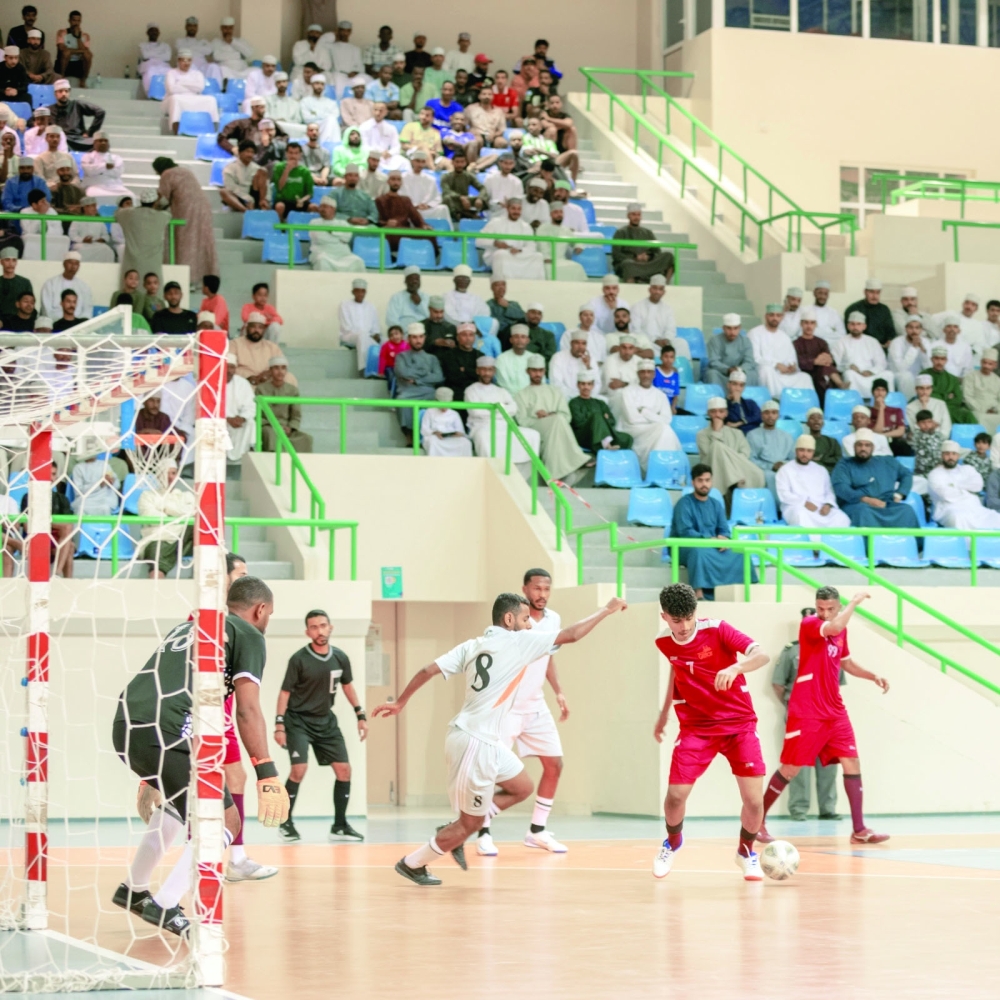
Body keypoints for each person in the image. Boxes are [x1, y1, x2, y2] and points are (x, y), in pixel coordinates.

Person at [373, 592, 627, 885]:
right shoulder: (518, 642)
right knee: (471, 823)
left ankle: (461, 826)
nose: (530, 624)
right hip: (474, 742)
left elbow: (427, 670)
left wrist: (401, 702)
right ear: (509, 619)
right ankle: (413, 863)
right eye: (524, 618)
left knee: (522, 786)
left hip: (482, 739)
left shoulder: (473, 645)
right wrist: (606, 610)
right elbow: (571, 635)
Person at [111, 577, 287, 935]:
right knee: (226, 822)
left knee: (178, 809)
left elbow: (171, 691)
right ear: (261, 609)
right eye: (269, 615)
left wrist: (151, 773)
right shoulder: (248, 634)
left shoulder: (191, 625)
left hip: (125, 725)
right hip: (166, 731)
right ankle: (164, 905)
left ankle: (134, 889)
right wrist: (266, 772)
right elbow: (247, 708)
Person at [652, 581, 768, 878]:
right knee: (675, 797)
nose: (685, 625)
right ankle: (673, 842)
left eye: (689, 617)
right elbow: (676, 674)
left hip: (739, 724)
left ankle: (745, 852)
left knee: (754, 801)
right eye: (677, 620)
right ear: (665, 616)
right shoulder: (664, 642)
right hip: (697, 729)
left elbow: (761, 655)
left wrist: (735, 668)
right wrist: (664, 713)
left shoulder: (717, 629)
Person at [757, 588, 890, 845]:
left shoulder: (842, 631)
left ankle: (859, 830)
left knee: (852, 762)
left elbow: (847, 663)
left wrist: (873, 675)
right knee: (791, 768)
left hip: (835, 711)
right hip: (807, 711)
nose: (824, 613)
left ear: (836, 607)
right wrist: (854, 602)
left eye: (830, 609)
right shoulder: (810, 625)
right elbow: (834, 626)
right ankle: (757, 821)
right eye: (821, 608)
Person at [272, 607, 367, 843]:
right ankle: (285, 822)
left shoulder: (340, 657)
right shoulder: (299, 659)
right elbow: (284, 693)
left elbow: (348, 687)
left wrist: (360, 715)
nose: (320, 630)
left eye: (323, 625)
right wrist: (279, 725)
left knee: (345, 770)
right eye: (314, 627)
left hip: (326, 722)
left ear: (330, 627)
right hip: (298, 721)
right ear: (308, 632)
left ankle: (340, 825)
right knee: (299, 770)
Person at [770, 607, 845, 821]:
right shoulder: (791, 652)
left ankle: (827, 808)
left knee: (829, 763)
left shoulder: (833, 650)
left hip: (828, 716)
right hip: (801, 716)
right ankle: (799, 809)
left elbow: (837, 684)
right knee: (799, 763)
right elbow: (778, 684)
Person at [515, 355, 590, 481]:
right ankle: (577, 460)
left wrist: (549, 416)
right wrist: (541, 419)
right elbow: (522, 421)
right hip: (535, 427)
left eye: (540, 370)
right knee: (557, 420)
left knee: (558, 420)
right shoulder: (520, 395)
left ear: (544, 371)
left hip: (557, 425)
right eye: (534, 370)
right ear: (527, 371)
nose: (537, 374)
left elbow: (566, 416)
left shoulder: (555, 391)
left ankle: (555, 473)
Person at [832, 430, 918, 528]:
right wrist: (866, 499)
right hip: (857, 504)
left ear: (872, 448)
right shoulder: (845, 464)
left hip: (886, 503)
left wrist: (899, 495)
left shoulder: (887, 461)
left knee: (906, 510)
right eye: (859, 445)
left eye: (867, 445)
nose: (863, 448)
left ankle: (908, 543)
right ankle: (869, 543)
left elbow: (906, 474)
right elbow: (841, 488)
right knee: (864, 512)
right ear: (854, 447)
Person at [153, 158, 218, 286]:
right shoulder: (185, 171)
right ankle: (202, 278)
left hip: (186, 209)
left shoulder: (167, 174)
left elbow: (163, 199)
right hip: (203, 208)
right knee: (201, 242)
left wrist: (151, 209)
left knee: (186, 243)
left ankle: (186, 279)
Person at [464, 356, 540, 463]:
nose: (487, 373)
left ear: (494, 371)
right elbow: (476, 412)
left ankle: (523, 474)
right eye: (483, 369)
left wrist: (492, 410)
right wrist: (501, 409)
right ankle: (492, 470)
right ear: (478, 371)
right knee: (484, 438)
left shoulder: (501, 390)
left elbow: (513, 408)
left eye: (490, 370)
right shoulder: (471, 390)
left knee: (533, 435)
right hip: (482, 427)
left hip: (504, 425)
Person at [136, 458, 195, 580]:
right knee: (157, 563)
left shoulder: (186, 496)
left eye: (173, 473)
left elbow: (193, 512)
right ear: (158, 476)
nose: (170, 477)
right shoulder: (147, 496)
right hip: (159, 538)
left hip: (183, 539)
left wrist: (165, 509)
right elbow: (150, 517)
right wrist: (179, 516)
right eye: (165, 473)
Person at [619, 359, 681, 472]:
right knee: (664, 430)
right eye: (643, 372)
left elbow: (667, 419)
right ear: (638, 374)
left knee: (664, 429)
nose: (646, 375)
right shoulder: (627, 392)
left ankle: (657, 470)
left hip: (655, 430)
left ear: (654, 374)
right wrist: (655, 418)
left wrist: (644, 411)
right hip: (633, 430)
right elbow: (633, 419)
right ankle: (665, 470)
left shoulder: (661, 395)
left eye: (649, 372)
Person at [776, 435, 851, 529]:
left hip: (820, 507)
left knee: (842, 518)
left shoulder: (821, 470)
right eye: (801, 450)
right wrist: (804, 503)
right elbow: (784, 494)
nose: (805, 454)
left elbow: (829, 492)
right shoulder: (785, 470)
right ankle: (812, 543)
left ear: (813, 453)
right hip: (796, 507)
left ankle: (831, 543)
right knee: (801, 516)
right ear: (796, 451)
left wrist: (828, 505)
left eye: (809, 451)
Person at [697, 399, 766, 496]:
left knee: (758, 473)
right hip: (713, 469)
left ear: (726, 413)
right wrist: (716, 432)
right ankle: (734, 482)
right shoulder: (702, 435)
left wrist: (731, 462)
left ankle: (733, 480)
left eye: (721, 411)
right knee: (717, 446)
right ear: (708, 413)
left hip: (737, 468)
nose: (717, 415)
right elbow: (712, 455)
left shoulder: (737, 433)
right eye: (714, 411)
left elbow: (745, 453)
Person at [928, 441, 1000, 529]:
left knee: (996, 517)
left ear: (958, 456)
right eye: (947, 454)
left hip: (975, 508)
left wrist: (953, 486)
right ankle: (968, 543)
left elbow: (978, 486)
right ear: (942, 455)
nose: (951, 457)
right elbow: (946, 495)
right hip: (948, 510)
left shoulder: (967, 469)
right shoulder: (935, 474)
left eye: (954, 454)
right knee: (959, 518)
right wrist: (966, 489)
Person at [749, 303, 814, 399]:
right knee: (766, 371)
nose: (775, 318)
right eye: (772, 315)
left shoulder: (785, 337)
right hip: (766, 372)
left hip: (783, 374)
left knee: (805, 378)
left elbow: (792, 358)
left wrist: (791, 367)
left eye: (778, 315)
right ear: (766, 316)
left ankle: (806, 407)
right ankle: (773, 401)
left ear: (782, 317)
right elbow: (755, 358)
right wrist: (776, 364)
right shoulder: (754, 333)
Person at [393, 323, 444, 438]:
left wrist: (416, 380)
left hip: (428, 392)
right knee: (401, 401)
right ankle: (410, 436)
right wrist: (426, 373)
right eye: (415, 337)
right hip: (407, 392)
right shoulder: (401, 357)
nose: (418, 340)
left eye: (421, 337)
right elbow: (403, 373)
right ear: (409, 339)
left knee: (437, 400)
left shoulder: (432, 358)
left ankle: (432, 434)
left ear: (424, 338)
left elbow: (438, 377)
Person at [476, 198, 546, 279]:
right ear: (507, 208)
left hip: (519, 255)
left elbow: (532, 246)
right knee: (501, 254)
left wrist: (520, 250)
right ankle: (505, 282)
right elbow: (479, 240)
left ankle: (534, 285)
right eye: (513, 208)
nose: (516, 212)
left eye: (519, 209)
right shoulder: (495, 222)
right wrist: (495, 243)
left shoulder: (526, 226)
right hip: (499, 254)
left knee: (538, 256)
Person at [115, 188, 168, 287]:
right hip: (153, 263)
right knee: (152, 291)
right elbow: (167, 209)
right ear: (155, 202)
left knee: (131, 290)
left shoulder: (129, 214)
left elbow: (118, 213)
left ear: (140, 201)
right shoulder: (162, 216)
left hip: (133, 262)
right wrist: (162, 200)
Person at [569, 371, 632, 454]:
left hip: (604, 432)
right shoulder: (574, 403)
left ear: (593, 386)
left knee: (627, 438)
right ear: (578, 385)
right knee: (597, 416)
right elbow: (578, 423)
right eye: (583, 384)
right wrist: (599, 419)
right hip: (584, 436)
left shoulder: (600, 403)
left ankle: (614, 452)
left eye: (589, 384)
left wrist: (599, 420)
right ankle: (607, 445)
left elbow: (612, 421)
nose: (586, 387)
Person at [834, 312, 894, 399]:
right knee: (849, 374)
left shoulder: (872, 341)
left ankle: (887, 403)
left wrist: (871, 371)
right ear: (848, 326)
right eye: (852, 324)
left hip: (872, 375)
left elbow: (881, 363)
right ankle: (854, 401)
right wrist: (848, 366)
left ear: (864, 326)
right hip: (855, 375)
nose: (855, 327)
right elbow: (835, 364)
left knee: (889, 374)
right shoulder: (841, 342)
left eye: (859, 324)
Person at [611, 202, 673, 284]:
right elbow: (617, 254)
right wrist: (635, 257)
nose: (636, 217)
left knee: (668, 256)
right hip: (632, 264)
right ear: (628, 216)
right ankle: (632, 286)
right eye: (633, 214)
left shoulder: (648, 232)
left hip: (648, 264)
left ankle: (664, 286)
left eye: (638, 215)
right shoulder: (620, 232)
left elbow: (657, 252)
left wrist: (648, 257)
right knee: (627, 264)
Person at [747, 400, 795, 499]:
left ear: (778, 415)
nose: (770, 416)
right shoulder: (752, 435)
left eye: (774, 413)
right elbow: (750, 459)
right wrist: (771, 466)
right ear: (761, 415)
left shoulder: (786, 436)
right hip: (763, 470)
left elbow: (793, 459)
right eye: (767, 412)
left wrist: (783, 465)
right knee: (772, 477)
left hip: (784, 469)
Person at [232, 314, 295, 386]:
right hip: (244, 379)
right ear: (247, 328)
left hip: (267, 378)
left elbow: (282, 365)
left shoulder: (271, 346)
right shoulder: (235, 343)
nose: (256, 330)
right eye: (253, 327)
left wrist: (269, 373)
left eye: (260, 328)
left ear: (264, 330)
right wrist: (246, 377)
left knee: (289, 378)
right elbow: (228, 366)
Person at [309, 196, 366, 272]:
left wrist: (332, 232)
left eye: (325, 207)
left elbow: (347, 238)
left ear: (333, 209)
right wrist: (338, 237)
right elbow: (319, 238)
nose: (322, 209)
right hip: (323, 253)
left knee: (358, 261)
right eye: (321, 207)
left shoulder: (343, 223)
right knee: (322, 261)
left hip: (343, 254)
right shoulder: (314, 222)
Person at [922, 345, 977, 424]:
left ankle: (978, 436)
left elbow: (958, 398)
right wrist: (947, 396)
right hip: (933, 408)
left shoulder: (952, 379)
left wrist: (940, 395)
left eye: (942, 359)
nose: (939, 362)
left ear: (946, 360)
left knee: (967, 414)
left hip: (951, 408)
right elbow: (927, 394)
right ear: (932, 359)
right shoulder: (924, 375)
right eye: (936, 358)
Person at [794, 309, 839, 404]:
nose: (809, 326)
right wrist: (814, 361)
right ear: (801, 324)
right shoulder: (795, 343)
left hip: (821, 371)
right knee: (823, 372)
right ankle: (839, 383)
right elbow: (797, 361)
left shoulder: (822, 343)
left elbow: (829, 359)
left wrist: (823, 360)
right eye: (806, 323)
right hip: (805, 373)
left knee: (824, 370)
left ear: (816, 325)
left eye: (812, 323)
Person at [163, 50, 215, 134]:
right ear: (179, 61)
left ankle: (211, 130)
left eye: (189, 60)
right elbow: (172, 90)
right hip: (174, 98)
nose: (186, 63)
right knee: (175, 99)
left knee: (211, 99)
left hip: (193, 97)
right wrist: (191, 86)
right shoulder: (171, 73)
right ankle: (176, 131)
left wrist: (181, 83)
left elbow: (200, 88)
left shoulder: (197, 73)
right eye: (183, 60)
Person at [704, 314, 758, 387]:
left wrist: (739, 370)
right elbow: (713, 362)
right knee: (712, 374)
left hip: (740, 373)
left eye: (735, 328)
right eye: (729, 328)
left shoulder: (746, 341)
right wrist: (727, 370)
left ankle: (742, 397)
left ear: (740, 328)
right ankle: (718, 397)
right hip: (721, 373)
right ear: (723, 328)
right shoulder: (714, 340)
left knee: (753, 374)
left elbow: (749, 361)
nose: (732, 332)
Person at [338, 278, 381, 371]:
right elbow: (347, 328)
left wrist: (376, 335)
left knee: (386, 340)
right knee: (362, 337)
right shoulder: (345, 305)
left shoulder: (371, 306)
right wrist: (367, 336)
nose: (360, 294)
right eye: (357, 291)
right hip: (349, 336)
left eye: (363, 291)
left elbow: (375, 329)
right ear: (352, 292)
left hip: (368, 338)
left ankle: (382, 370)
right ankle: (364, 369)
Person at [50, 79, 103, 150]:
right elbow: (33, 121)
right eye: (60, 91)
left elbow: (100, 112)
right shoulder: (49, 109)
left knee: (99, 144)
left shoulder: (76, 105)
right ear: (55, 94)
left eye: (66, 91)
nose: (64, 94)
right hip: (58, 140)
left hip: (77, 139)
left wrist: (90, 132)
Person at [419, 386, 473, 457]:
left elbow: (460, 431)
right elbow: (424, 430)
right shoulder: (429, 412)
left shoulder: (454, 414)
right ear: (436, 401)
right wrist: (434, 432)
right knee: (432, 442)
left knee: (466, 443)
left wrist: (457, 433)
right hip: (435, 438)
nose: (444, 408)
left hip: (452, 438)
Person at [400, 149, 449, 224]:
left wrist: (428, 205)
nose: (420, 164)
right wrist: (415, 206)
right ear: (412, 162)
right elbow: (400, 196)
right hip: (409, 209)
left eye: (422, 162)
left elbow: (437, 197)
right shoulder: (403, 178)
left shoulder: (430, 179)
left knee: (443, 208)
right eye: (418, 161)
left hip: (426, 209)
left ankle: (445, 234)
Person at [889, 315, 931, 399]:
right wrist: (914, 348)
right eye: (911, 328)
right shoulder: (896, 342)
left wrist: (923, 351)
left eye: (917, 328)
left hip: (918, 375)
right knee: (906, 376)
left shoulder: (926, 342)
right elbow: (901, 368)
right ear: (906, 329)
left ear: (921, 330)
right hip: (899, 376)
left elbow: (929, 367)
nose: (914, 331)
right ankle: (909, 404)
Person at [843, 278, 895, 347]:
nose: (874, 296)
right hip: (859, 347)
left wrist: (889, 341)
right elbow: (850, 332)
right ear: (865, 292)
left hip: (882, 347)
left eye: (877, 292)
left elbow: (891, 331)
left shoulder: (884, 309)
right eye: (872, 292)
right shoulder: (854, 308)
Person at [550, 331, 602, 400]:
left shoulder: (590, 359)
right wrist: (578, 396)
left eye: (583, 344)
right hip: (566, 397)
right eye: (577, 343)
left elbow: (597, 385)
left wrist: (588, 367)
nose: (580, 347)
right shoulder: (558, 357)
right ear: (571, 344)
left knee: (604, 400)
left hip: (588, 398)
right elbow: (556, 384)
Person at [39, 250, 91, 318]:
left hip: (77, 324)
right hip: (55, 324)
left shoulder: (84, 287)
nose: (73, 267)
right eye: (70, 263)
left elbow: (87, 311)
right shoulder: (50, 284)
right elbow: (46, 310)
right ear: (64, 264)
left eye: (76, 264)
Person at [438, 324, 482, 401]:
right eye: (464, 335)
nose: (468, 338)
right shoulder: (449, 355)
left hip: (476, 392)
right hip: (455, 393)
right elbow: (453, 378)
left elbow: (481, 376)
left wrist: (465, 370)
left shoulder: (480, 355)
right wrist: (473, 372)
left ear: (474, 338)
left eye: (471, 335)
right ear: (457, 337)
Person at [962, 347, 1000, 435]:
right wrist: (983, 409)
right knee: (981, 419)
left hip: (995, 411)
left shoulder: (997, 380)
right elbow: (967, 397)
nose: (986, 366)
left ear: (995, 365)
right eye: (984, 362)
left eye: (990, 364)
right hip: (976, 409)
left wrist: (996, 409)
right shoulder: (970, 377)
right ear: (980, 362)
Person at [80, 132, 130, 197]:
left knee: (129, 196)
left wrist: (98, 170)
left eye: (105, 141)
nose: (103, 143)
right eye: (100, 141)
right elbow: (89, 171)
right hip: (94, 186)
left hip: (114, 186)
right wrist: (105, 166)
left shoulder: (116, 158)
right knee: (92, 195)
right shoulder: (87, 156)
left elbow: (117, 173)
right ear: (94, 143)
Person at [441, 152, 487, 221]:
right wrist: (460, 197)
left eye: (462, 162)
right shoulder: (446, 177)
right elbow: (446, 191)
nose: (460, 165)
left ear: (465, 163)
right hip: (454, 201)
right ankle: (466, 214)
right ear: (452, 162)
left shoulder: (468, 175)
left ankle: (463, 214)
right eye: (457, 162)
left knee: (486, 199)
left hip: (466, 202)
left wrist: (480, 198)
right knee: (447, 198)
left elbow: (482, 188)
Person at [906, 373, 951, 438]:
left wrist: (938, 439)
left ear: (931, 389)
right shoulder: (910, 407)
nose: (925, 392)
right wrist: (924, 406)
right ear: (916, 390)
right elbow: (915, 429)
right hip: (920, 441)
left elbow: (946, 427)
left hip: (940, 439)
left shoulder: (941, 404)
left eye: (928, 388)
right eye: (921, 389)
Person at [55, 13, 92, 88]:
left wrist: (77, 36)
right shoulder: (62, 32)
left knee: (88, 55)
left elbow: (86, 51)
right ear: (69, 20)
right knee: (66, 53)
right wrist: (79, 51)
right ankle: (62, 77)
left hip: (78, 63)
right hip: (64, 62)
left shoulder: (85, 35)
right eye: (74, 20)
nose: (76, 23)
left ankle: (83, 80)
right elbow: (62, 49)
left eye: (78, 21)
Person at [211, 16, 253, 80]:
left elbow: (249, 53)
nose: (228, 31)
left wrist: (232, 42)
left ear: (233, 29)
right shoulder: (216, 42)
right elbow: (216, 56)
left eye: (230, 28)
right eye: (225, 28)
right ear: (221, 28)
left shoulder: (240, 41)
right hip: (226, 72)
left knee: (256, 71)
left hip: (242, 71)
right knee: (222, 70)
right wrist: (239, 55)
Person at [495, 324, 533, 393]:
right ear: (511, 340)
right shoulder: (502, 358)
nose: (519, 340)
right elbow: (503, 384)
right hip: (509, 398)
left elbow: (539, 382)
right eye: (516, 337)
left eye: (523, 337)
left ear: (527, 340)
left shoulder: (534, 358)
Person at [725, 370, 760, 435]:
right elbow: (734, 419)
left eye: (741, 385)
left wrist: (740, 423)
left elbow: (759, 417)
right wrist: (736, 402)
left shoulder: (750, 403)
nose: (738, 388)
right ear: (728, 385)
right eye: (735, 384)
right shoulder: (723, 404)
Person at [0, 245, 31, 316]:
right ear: (1, 262)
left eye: (14, 260)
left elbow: (29, 305)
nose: (11, 264)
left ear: (16, 262)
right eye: (7, 260)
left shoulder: (25, 283)